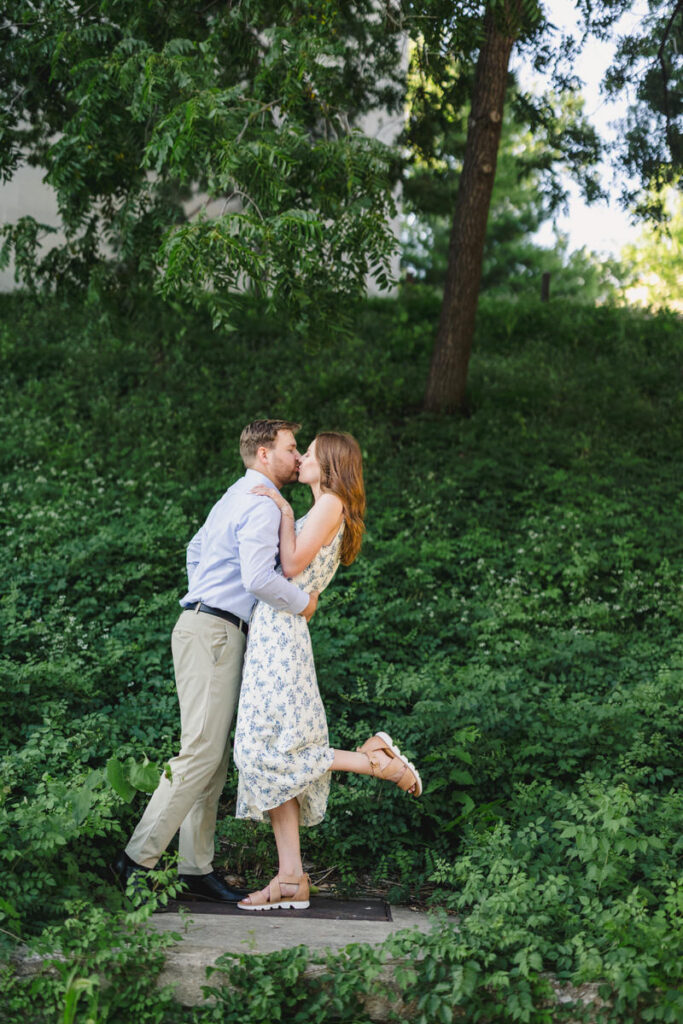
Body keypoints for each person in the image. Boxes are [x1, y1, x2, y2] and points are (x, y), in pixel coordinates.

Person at [114, 419, 319, 902]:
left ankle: (194, 868)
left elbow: (195, 550)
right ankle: (135, 859)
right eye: (291, 448)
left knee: (211, 754)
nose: (296, 456)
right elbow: (257, 579)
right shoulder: (263, 503)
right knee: (201, 753)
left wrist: (201, 594)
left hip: (206, 626)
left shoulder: (234, 495)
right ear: (265, 454)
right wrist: (302, 602)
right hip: (216, 632)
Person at [233, 431, 422, 912]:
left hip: (281, 633)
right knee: (273, 749)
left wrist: (284, 512)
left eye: (310, 454)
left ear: (331, 465)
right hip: (279, 629)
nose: (301, 459)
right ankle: (291, 877)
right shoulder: (328, 506)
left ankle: (375, 761)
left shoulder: (329, 504)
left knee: (266, 750)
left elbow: (292, 563)